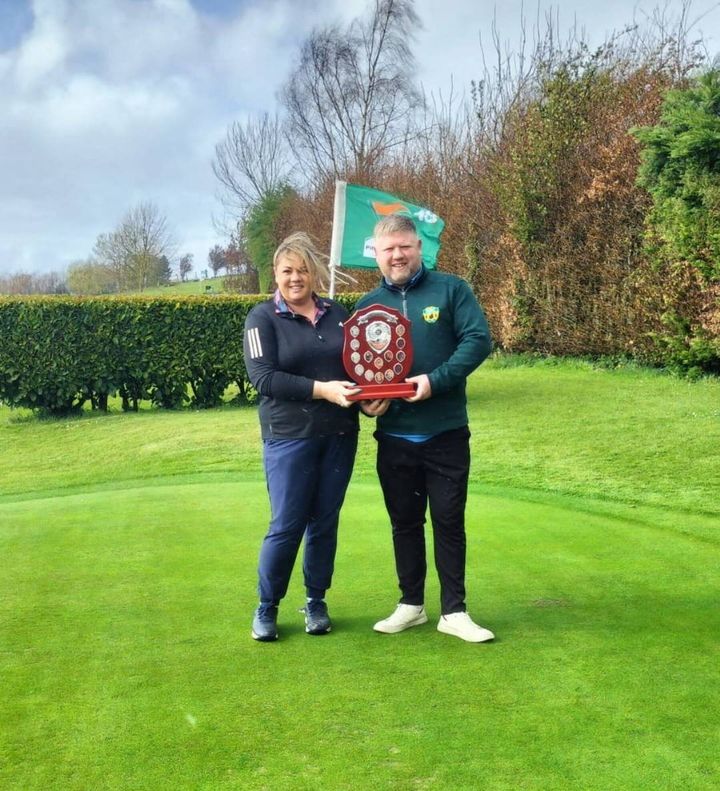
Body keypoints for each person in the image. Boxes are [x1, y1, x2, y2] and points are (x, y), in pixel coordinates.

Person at [357, 214, 495, 643]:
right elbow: (361, 373)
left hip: (446, 432)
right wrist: (367, 406)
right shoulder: (365, 307)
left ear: (419, 247)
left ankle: (454, 611)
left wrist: (434, 381)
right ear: (376, 255)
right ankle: (411, 605)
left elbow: (478, 340)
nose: (397, 255)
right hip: (395, 438)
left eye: (404, 246)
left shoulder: (452, 290)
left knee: (449, 521)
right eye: (388, 249)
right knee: (404, 523)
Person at [243, 232, 360, 641]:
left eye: (303, 270)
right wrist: (323, 390)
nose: (296, 278)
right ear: (275, 274)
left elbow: (357, 369)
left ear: (315, 274)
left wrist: (369, 400)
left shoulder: (338, 313)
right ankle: (267, 606)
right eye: (287, 271)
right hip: (289, 436)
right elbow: (263, 377)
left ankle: (316, 601)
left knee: (324, 522)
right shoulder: (262, 318)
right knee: (287, 523)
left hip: (340, 434)